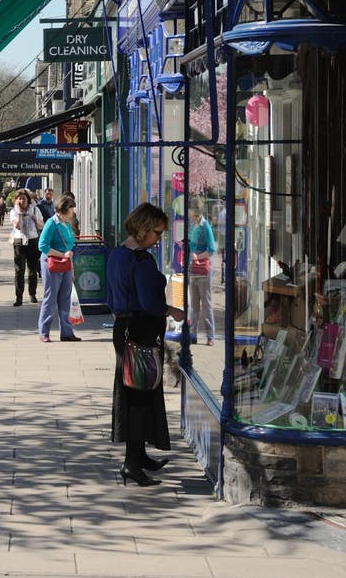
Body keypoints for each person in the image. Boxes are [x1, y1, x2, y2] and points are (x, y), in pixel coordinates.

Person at [105, 202, 185, 487]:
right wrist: (172, 311)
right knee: (139, 394)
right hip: (141, 331)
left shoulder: (116, 254)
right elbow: (150, 302)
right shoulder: (141, 261)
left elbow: (111, 296)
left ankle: (139, 456)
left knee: (136, 391)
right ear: (143, 229)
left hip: (124, 328)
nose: (159, 238)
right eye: (157, 232)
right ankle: (132, 464)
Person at [37, 194, 78, 341]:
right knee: (51, 298)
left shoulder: (66, 223)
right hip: (52, 263)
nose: (73, 211)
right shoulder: (51, 223)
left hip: (65, 263)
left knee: (65, 298)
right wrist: (62, 254)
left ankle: (66, 332)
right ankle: (44, 332)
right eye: (72, 208)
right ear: (66, 208)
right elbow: (42, 246)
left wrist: (71, 267)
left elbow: (69, 246)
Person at [187, 199, 217, 345]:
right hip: (193, 270)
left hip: (203, 271)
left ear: (195, 211)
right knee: (194, 304)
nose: (188, 212)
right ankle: (192, 334)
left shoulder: (205, 227)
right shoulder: (193, 226)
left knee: (206, 303)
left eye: (190, 210)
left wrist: (197, 256)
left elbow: (212, 249)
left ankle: (210, 335)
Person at [9, 189, 43, 306]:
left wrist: (35, 219)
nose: (22, 200)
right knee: (19, 270)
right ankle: (19, 297)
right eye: (19, 198)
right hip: (19, 241)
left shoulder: (35, 209)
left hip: (33, 240)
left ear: (28, 199)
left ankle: (32, 293)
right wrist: (19, 213)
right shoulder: (13, 211)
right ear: (16, 200)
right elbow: (17, 226)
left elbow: (41, 226)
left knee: (32, 269)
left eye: (24, 198)